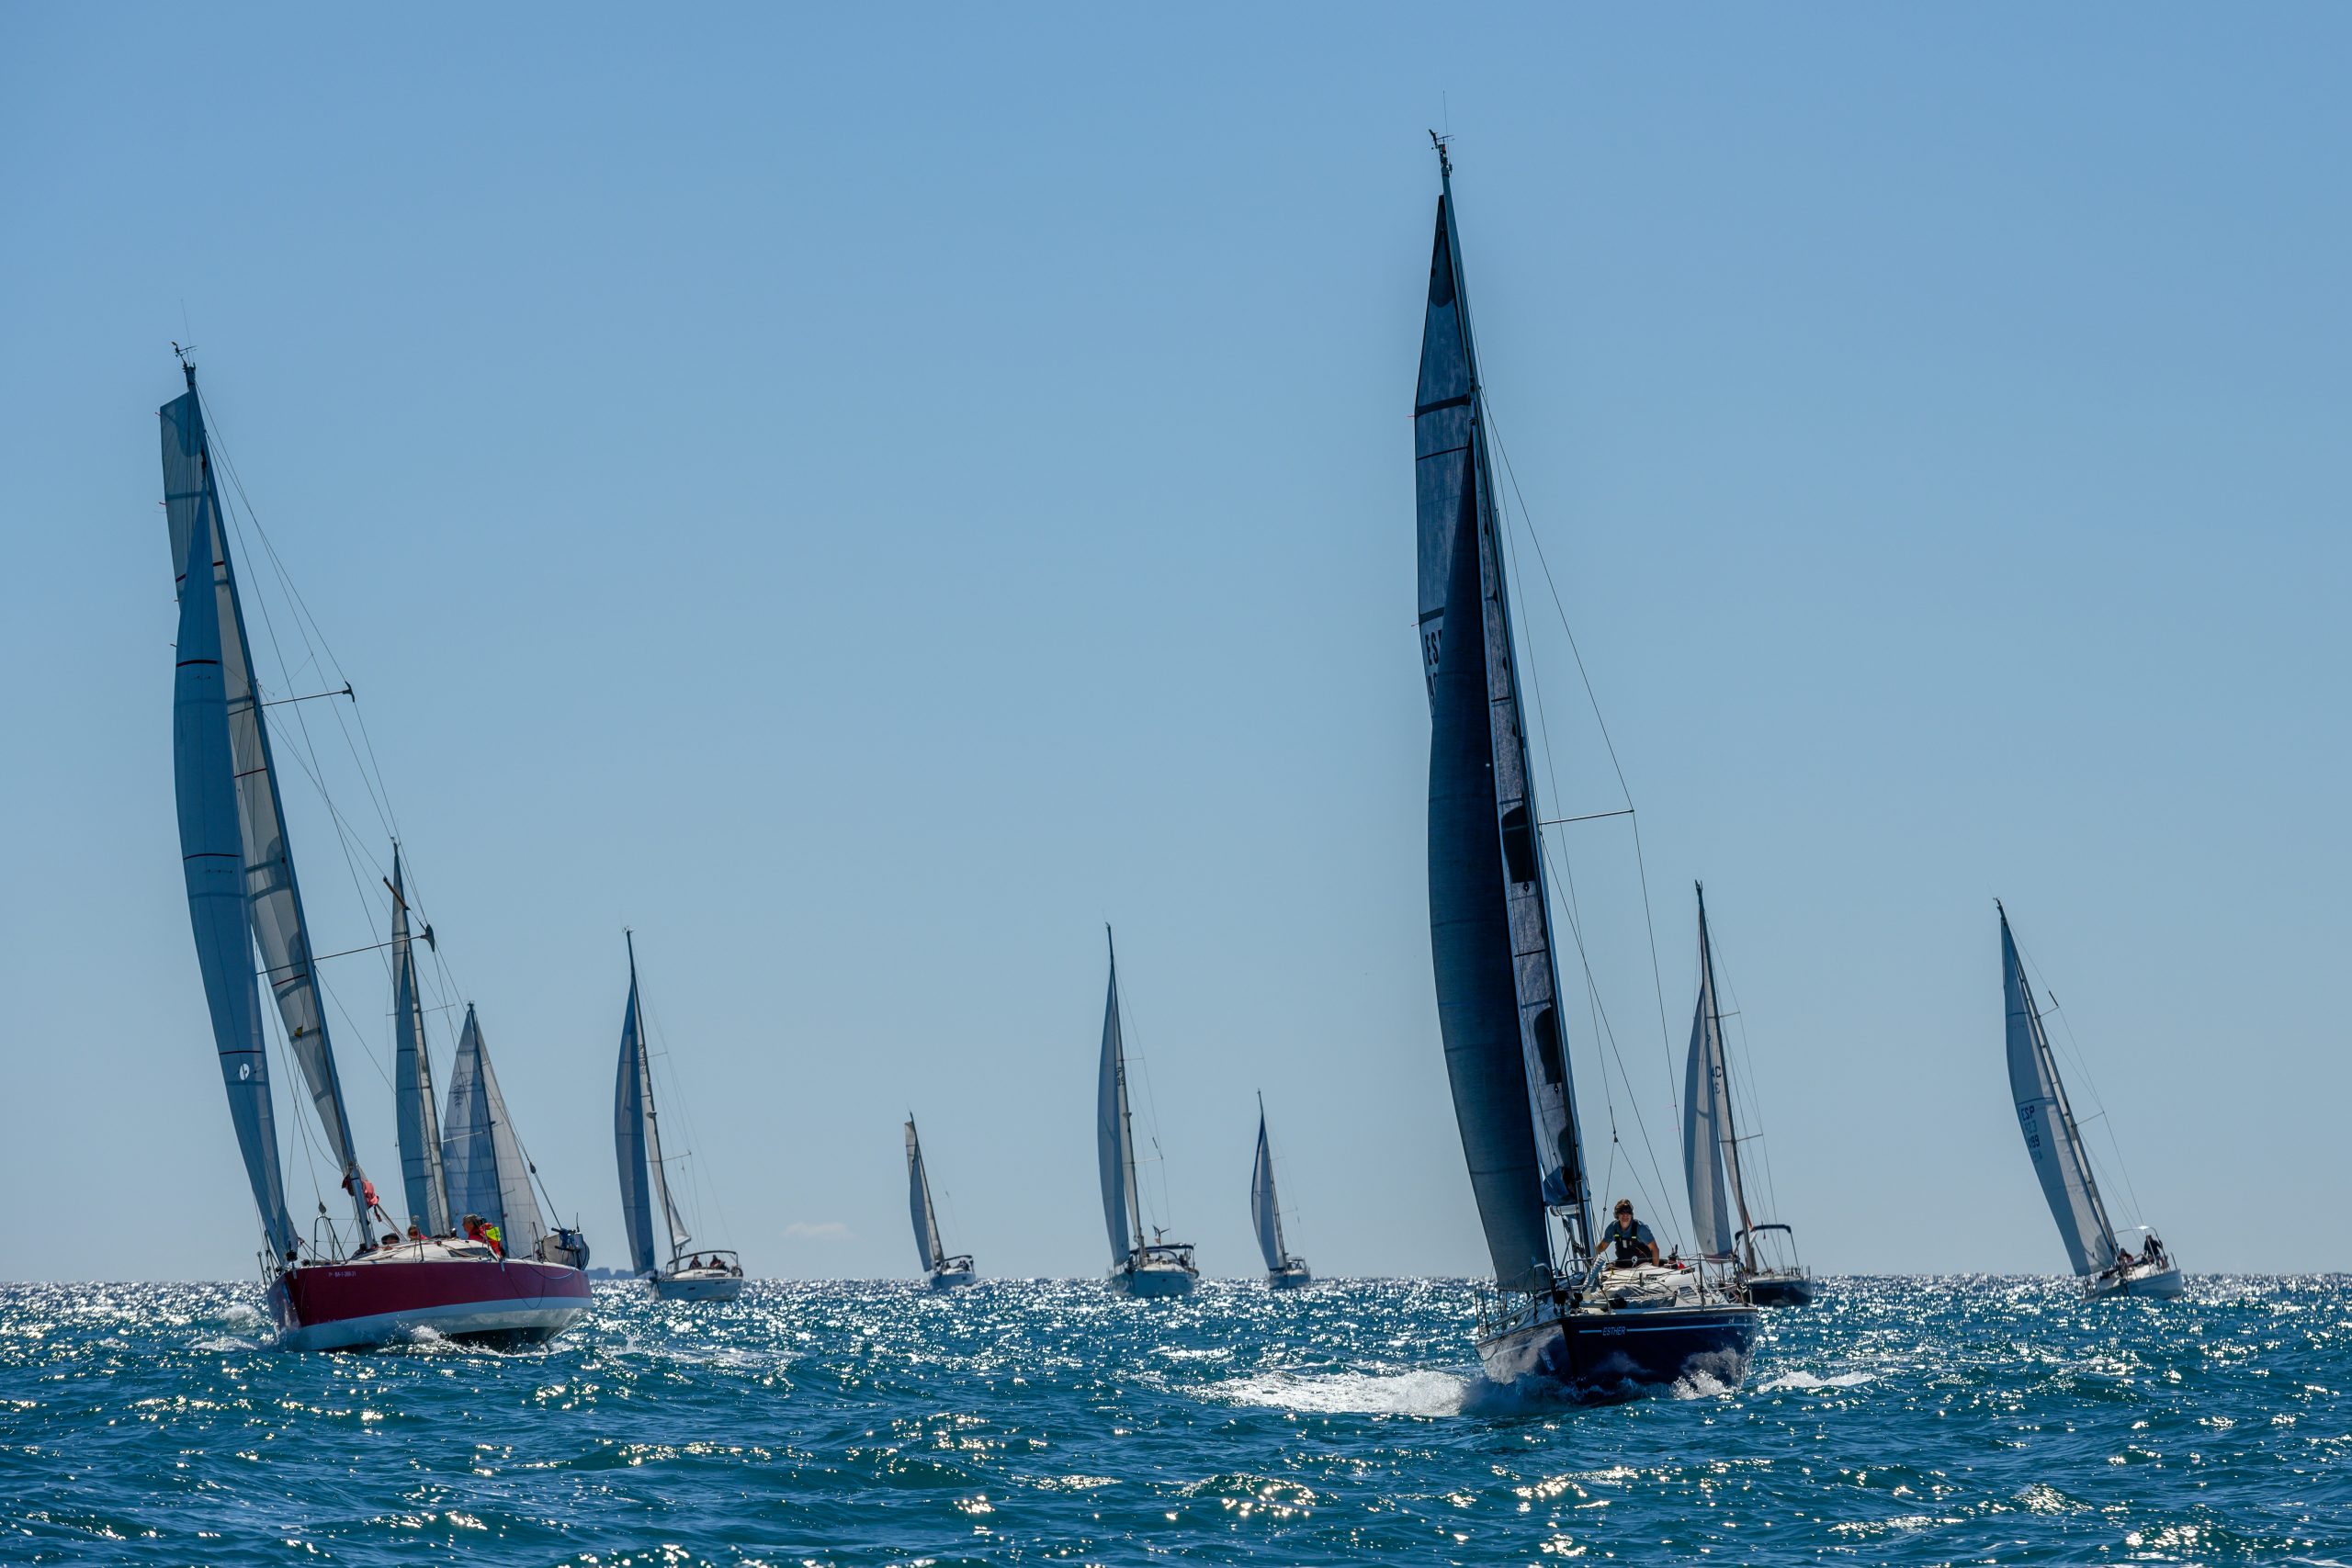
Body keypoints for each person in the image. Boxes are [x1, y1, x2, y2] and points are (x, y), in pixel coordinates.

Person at [1605, 1200, 1660, 1268]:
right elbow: (1602, 1246)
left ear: (1631, 1215)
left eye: (1628, 1212)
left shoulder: (1640, 1229)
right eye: (1622, 1212)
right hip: (1623, 1266)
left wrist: (1654, 1270)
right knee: (1608, 1269)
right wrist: (1594, 1251)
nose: (1625, 1215)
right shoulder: (1613, 1228)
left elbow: (1654, 1249)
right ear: (1617, 1215)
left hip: (1644, 1266)